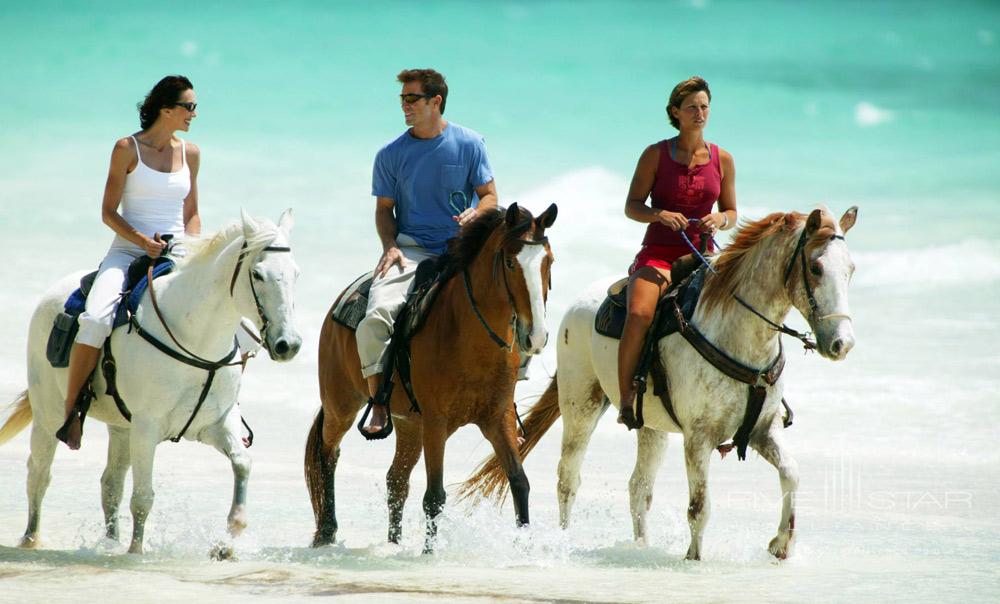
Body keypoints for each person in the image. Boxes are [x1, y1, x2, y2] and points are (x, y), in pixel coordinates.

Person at [57, 75, 201, 449]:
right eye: (189, 107)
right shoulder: (127, 148)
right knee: (95, 319)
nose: (194, 114)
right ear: (165, 109)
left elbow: (192, 212)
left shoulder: (192, 153)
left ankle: (219, 406)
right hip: (127, 250)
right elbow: (107, 211)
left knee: (234, 316)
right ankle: (73, 413)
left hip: (178, 251)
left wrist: (193, 249)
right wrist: (140, 241)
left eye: (194, 107)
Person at [358, 68, 498, 437]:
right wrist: (389, 247)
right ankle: (378, 401)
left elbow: (489, 196)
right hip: (412, 250)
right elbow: (383, 210)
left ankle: (505, 404)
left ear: (436, 101)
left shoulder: (469, 143)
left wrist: (478, 212)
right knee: (375, 319)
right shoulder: (390, 154)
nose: (405, 105)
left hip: (462, 249)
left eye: (412, 98)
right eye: (402, 99)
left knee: (515, 305)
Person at [617, 76, 737, 429]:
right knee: (639, 314)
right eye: (692, 108)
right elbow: (632, 206)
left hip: (703, 254)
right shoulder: (655, 154)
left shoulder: (723, 159)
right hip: (658, 252)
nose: (700, 113)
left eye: (704, 107)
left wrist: (720, 219)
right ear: (675, 113)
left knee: (743, 310)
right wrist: (659, 214)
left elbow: (732, 212)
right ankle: (626, 398)